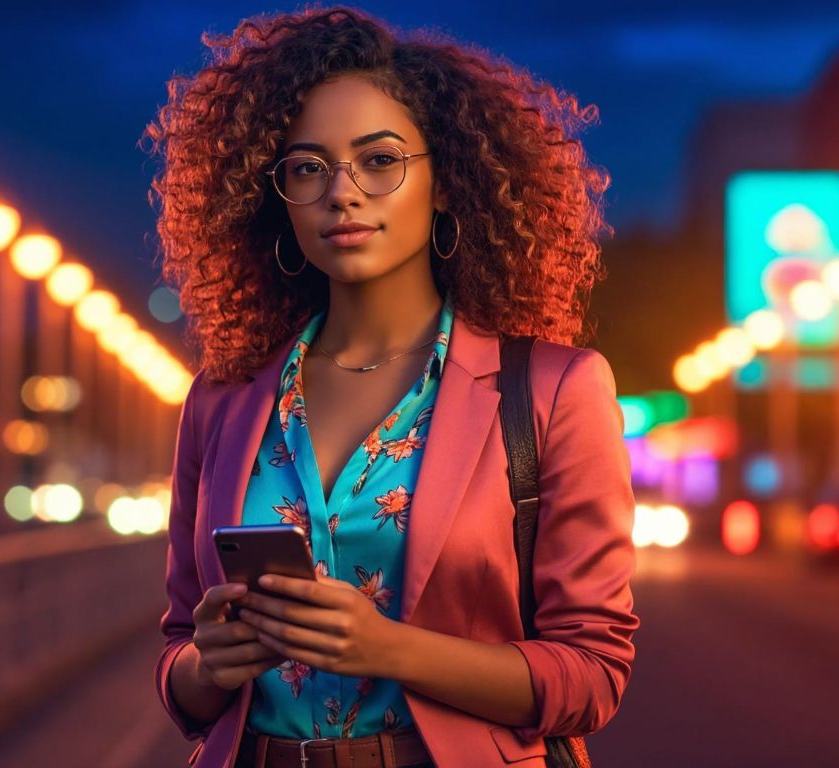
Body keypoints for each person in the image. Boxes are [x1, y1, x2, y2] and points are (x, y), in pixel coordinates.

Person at [144, 6, 638, 767]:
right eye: (308, 167)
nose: (341, 192)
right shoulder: (223, 398)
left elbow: (592, 676)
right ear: (277, 196)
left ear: (446, 183)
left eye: (379, 160)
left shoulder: (553, 388)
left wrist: (387, 648)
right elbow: (178, 662)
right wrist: (209, 664)